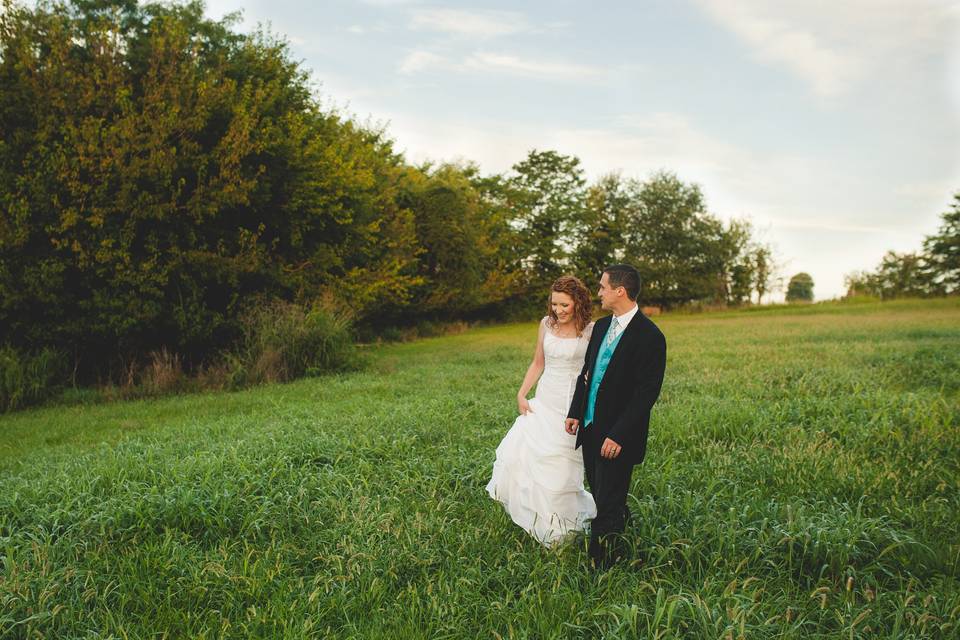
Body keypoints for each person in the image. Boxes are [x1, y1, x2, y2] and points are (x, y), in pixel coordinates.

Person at [565, 264, 667, 570]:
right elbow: (587, 374)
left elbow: (645, 394)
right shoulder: (599, 328)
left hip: (618, 436)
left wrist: (619, 435)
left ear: (619, 291)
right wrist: (575, 413)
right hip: (591, 425)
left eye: (602, 287)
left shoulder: (650, 336)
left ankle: (599, 568)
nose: (599, 293)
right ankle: (625, 541)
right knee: (603, 494)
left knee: (607, 503)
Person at [486, 276, 597, 547]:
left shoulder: (591, 329)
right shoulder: (545, 325)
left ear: (578, 303)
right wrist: (522, 393)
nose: (558, 310)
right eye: (554, 303)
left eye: (564, 305)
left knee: (562, 468)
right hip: (546, 401)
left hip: (572, 406)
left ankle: (566, 522)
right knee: (534, 462)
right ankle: (542, 522)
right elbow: (538, 362)